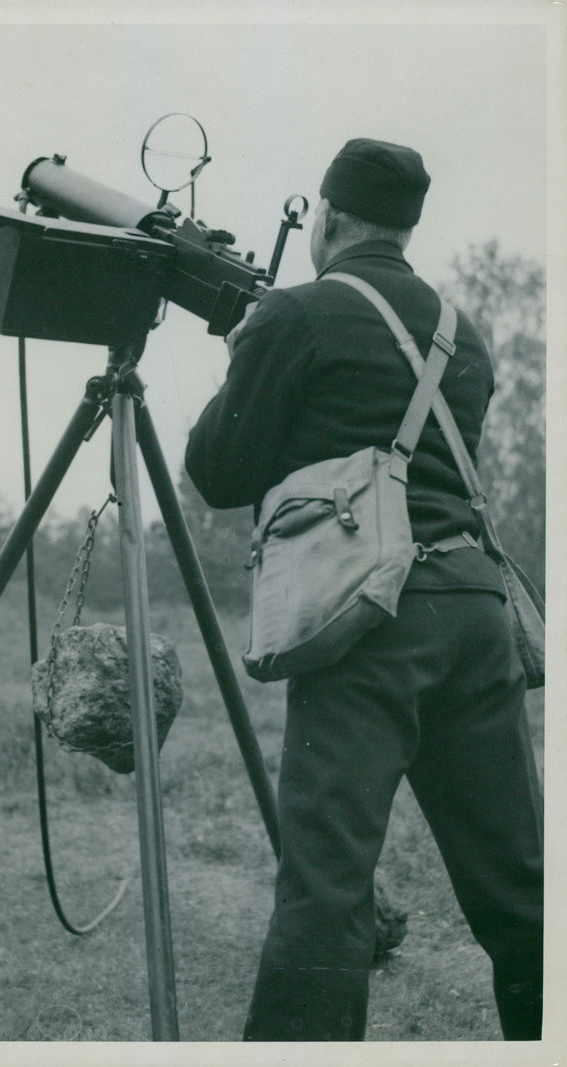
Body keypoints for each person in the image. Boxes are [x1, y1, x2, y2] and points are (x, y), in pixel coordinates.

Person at [184, 138, 544, 1041]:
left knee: (327, 889)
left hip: (369, 617)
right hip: (475, 606)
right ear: (406, 224)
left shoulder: (295, 315)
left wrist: (247, 356)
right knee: (523, 889)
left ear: (330, 219)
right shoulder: (467, 334)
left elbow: (220, 472)